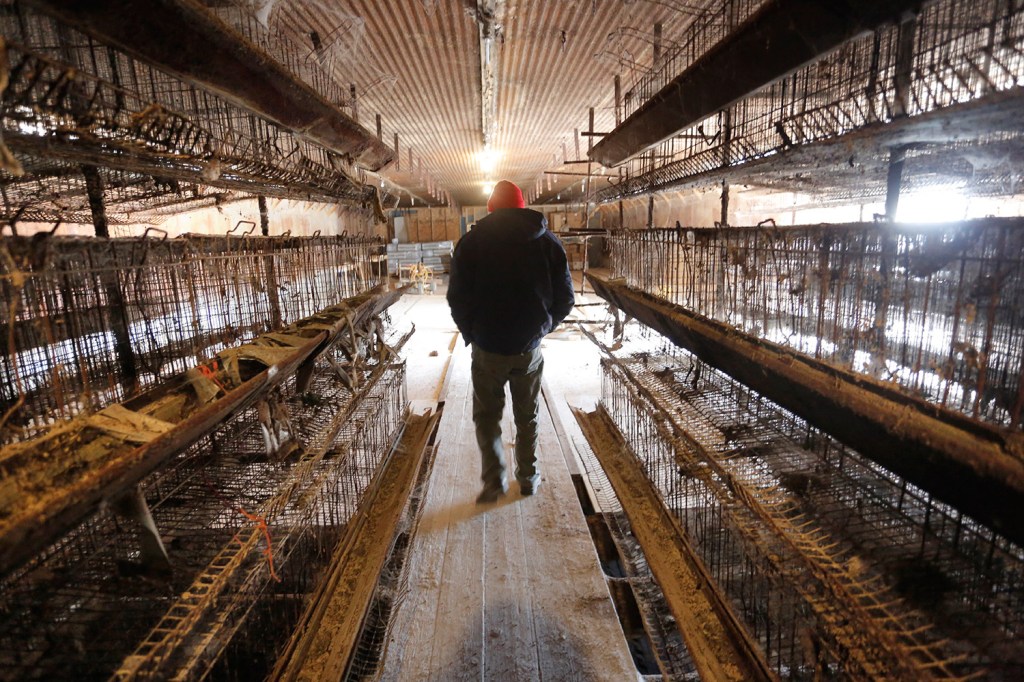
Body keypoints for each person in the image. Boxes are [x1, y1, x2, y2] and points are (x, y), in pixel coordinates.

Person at [447, 180, 575, 504]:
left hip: (487, 347)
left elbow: (457, 299)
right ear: (521, 206)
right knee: (527, 416)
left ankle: (494, 482)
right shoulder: (548, 243)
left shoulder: (470, 244)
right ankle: (528, 479)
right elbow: (566, 298)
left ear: (491, 208)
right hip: (527, 348)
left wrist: (472, 333)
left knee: (487, 417)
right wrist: (542, 328)